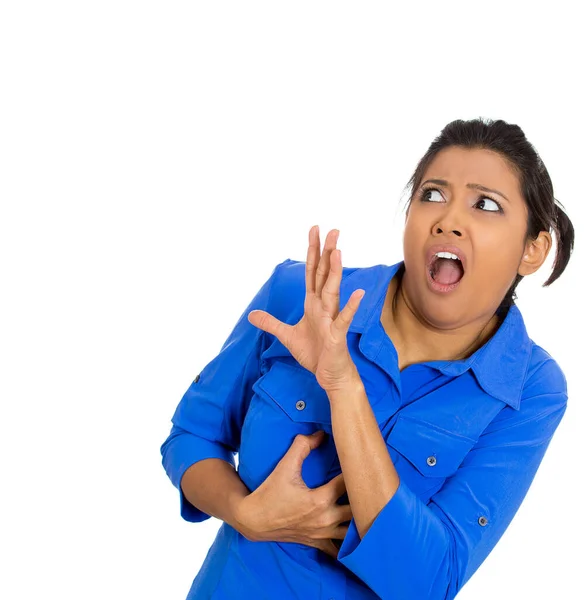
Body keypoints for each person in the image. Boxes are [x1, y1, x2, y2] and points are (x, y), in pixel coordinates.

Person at [160, 117, 575, 600]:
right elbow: (191, 436)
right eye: (432, 195)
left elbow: (427, 583)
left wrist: (344, 386)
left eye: (485, 204)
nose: (447, 219)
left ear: (533, 249)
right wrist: (245, 513)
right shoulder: (302, 295)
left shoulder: (532, 390)